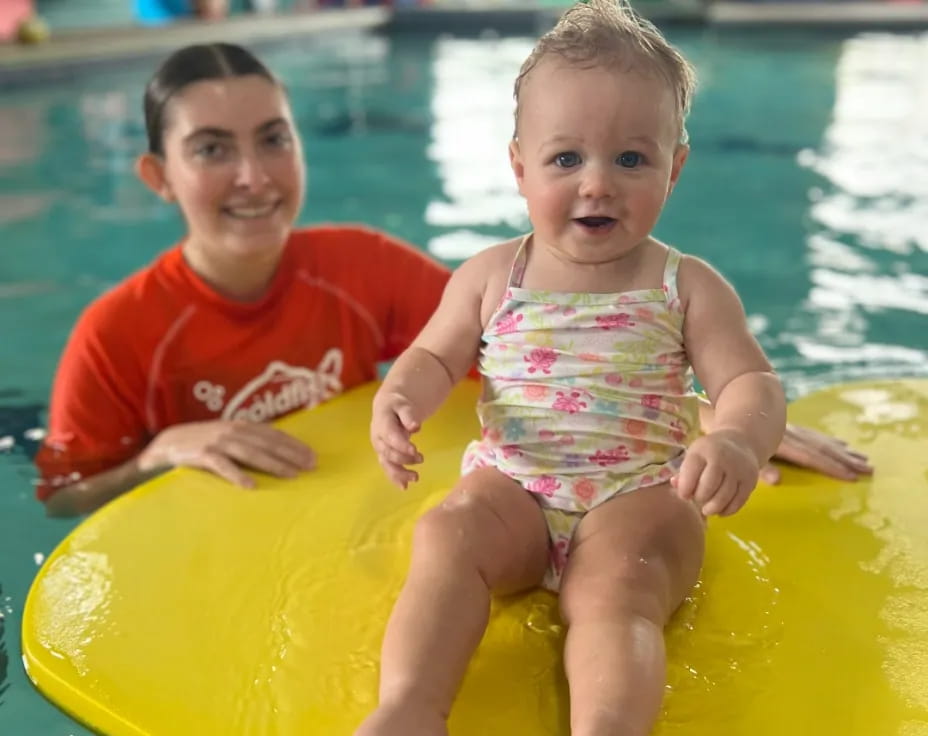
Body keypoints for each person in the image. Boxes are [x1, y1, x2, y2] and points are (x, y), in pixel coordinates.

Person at [35, 41, 870, 519]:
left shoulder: (363, 267)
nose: (254, 175)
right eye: (213, 149)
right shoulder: (116, 333)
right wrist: (156, 454)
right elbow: (63, 499)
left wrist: (715, 415)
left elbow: (532, 354)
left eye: (274, 139)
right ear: (158, 176)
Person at [362, 3, 817, 734]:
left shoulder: (686, 286)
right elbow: (433, 354)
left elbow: (749, 383)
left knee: (617, 592)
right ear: (520, 167)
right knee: (447, 536)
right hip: (513, 485)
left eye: (631, 159)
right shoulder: (491, 276)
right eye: (566, 159)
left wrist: (737, 438)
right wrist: (400, 398)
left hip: (638, 493)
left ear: (674, 168)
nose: (598, 183)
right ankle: (409, 707)